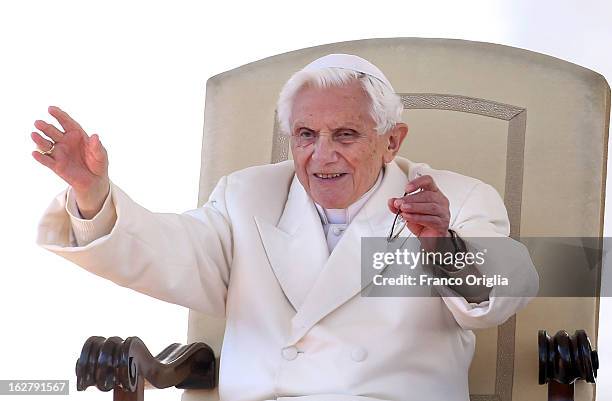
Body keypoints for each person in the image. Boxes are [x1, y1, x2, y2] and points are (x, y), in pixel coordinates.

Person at [33, 54, 539, 401]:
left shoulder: (454, 198)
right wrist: (92, 193)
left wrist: (441, 244)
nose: (322, 156)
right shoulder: (246, 195)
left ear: (391, 141)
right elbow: (171, 251)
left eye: (345, 135)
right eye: (305, 135)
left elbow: (511, 287)